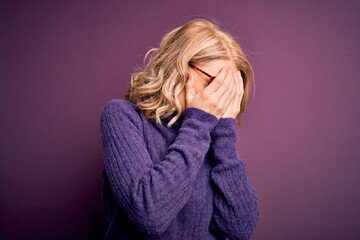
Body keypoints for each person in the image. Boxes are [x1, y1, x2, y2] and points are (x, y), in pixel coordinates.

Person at [100, 19, 259, 240]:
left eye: (230, 89)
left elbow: (238, 229)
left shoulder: (213, 135)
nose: (221, 97)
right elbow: (150, 214)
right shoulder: (123, 117)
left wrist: (224, 133)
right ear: (180, 68)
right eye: (215, 83)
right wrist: (199, 122)